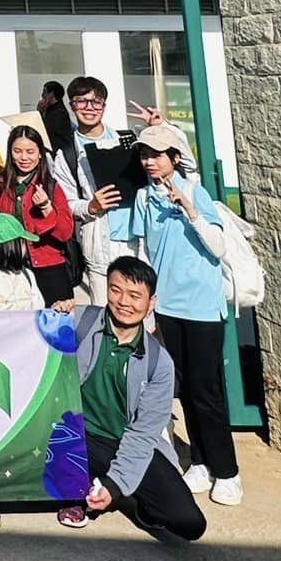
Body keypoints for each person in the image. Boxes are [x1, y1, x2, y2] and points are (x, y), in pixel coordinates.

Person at [101, 123, 240, 505]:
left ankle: (228, 471)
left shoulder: (195, 191)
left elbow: (218, 248)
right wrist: (144, 303)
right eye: (144, 155)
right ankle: (201, 462)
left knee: (206, 390)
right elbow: (144, 251)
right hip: (167, 307)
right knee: (184, 389)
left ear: (175, 158)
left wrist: (190, 210)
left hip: (202, 307)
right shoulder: (145, 198)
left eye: (157, 155)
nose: (149, 161)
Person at [56, 257, 208, 541]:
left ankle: (123, 493)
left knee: (188, 523)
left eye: (135, 295)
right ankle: (78, 489)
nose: (124, 302)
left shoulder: (159, 363)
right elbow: (30, 341)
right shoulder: (78, 322)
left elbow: (143, 433)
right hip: (73, 433)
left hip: (124, 440)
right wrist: (53, 314)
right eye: (116, 290)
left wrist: (115, 487)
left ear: (151, 302)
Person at [53, 76, 138, 305]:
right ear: (72, 106)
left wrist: (161, 128)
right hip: (99, 249)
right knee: (103, 313)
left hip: (136, 244)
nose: (89, 108)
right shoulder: (67, 154)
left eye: (96, 102)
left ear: (104, 106)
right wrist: (91, 207)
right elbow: (66, 204)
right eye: (81, 101)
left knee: (139, 314)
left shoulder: (128, 141)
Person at [0, 124, 78, 307]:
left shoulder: (51, 186)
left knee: (56, 320)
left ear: (40, 154)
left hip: (49, 269)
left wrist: (46, 207)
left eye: (30, 151)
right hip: (11, 269)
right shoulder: (0, 186)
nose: (24, 158)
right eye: (17, 151)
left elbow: (65, 233)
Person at [39, 80, 78, 156]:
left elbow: (45, 131)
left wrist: (40, 112)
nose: (42, 95)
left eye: (44, 92)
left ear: (51, 94)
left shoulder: (58, 113)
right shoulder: (51, 109)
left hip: (58, 153)